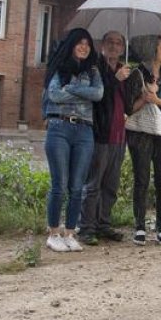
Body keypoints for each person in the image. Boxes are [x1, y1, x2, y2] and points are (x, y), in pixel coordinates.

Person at [42, 28, 103, 252]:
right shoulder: (59, 68)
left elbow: (98, 94)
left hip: (84, 131)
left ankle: (69, 233)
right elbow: (54, 95)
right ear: (72, 45)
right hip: (59, 127)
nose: (84, 47)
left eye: (87, 43)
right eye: (80, 43)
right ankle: (53, 233)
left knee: (77, 186)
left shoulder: (93, 71)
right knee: (59, 185)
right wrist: (83, 91)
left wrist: (74, 88)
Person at [124, 36, 161, 245]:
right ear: (152, 50)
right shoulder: (136, 74)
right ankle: (139, 227)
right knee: (141, 179)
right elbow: (128, 108)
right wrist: (145, 98)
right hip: (141, 133)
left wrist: (157, 100)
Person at [77, 31, 131, 246]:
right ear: (102, 45)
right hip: (100, 133)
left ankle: (104, 223)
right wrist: (114, 79)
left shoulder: (123, 70)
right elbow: (97, 97)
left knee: (111, 184)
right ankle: (87, 227)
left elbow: (127, 104)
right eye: (110, 42)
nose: (114, 46)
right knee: (93, 184)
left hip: (119, 134)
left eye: (119, 43)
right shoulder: (95, 68)